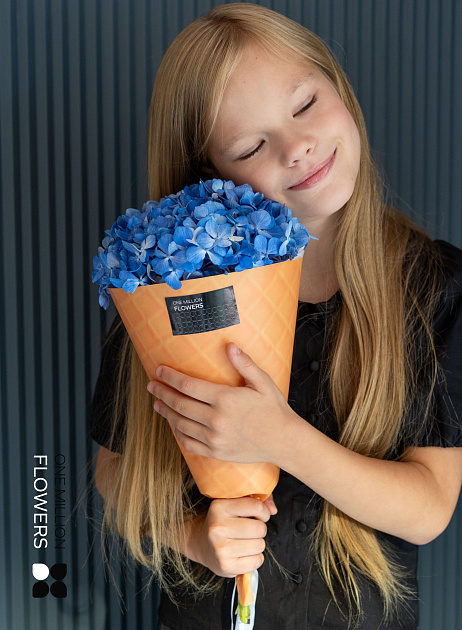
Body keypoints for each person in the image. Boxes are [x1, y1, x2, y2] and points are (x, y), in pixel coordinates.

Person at [90, 4, 462, 629]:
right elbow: (116, 472)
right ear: (211, 175)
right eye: (252, 146)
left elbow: (428, 509)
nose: (298, 147)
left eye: (305, 104)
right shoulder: (167, 283)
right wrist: (192, 537)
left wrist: (279, 437)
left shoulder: (434, 285)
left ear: (338, 86)